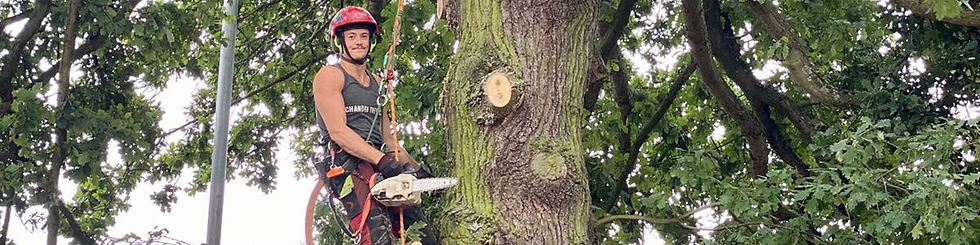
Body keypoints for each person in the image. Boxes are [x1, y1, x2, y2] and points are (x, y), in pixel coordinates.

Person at [312, 6, 436, 245]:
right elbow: (338, 131)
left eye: (364, 36)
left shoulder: (378, 83)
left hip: (379, 161)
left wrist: (415, 169)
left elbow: (389, 140)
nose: (359, 42)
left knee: (420, 232)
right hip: (349, 164)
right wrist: (381, 160)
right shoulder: (330, 76)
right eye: (352, 36)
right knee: (377, 234)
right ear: (340, 42)